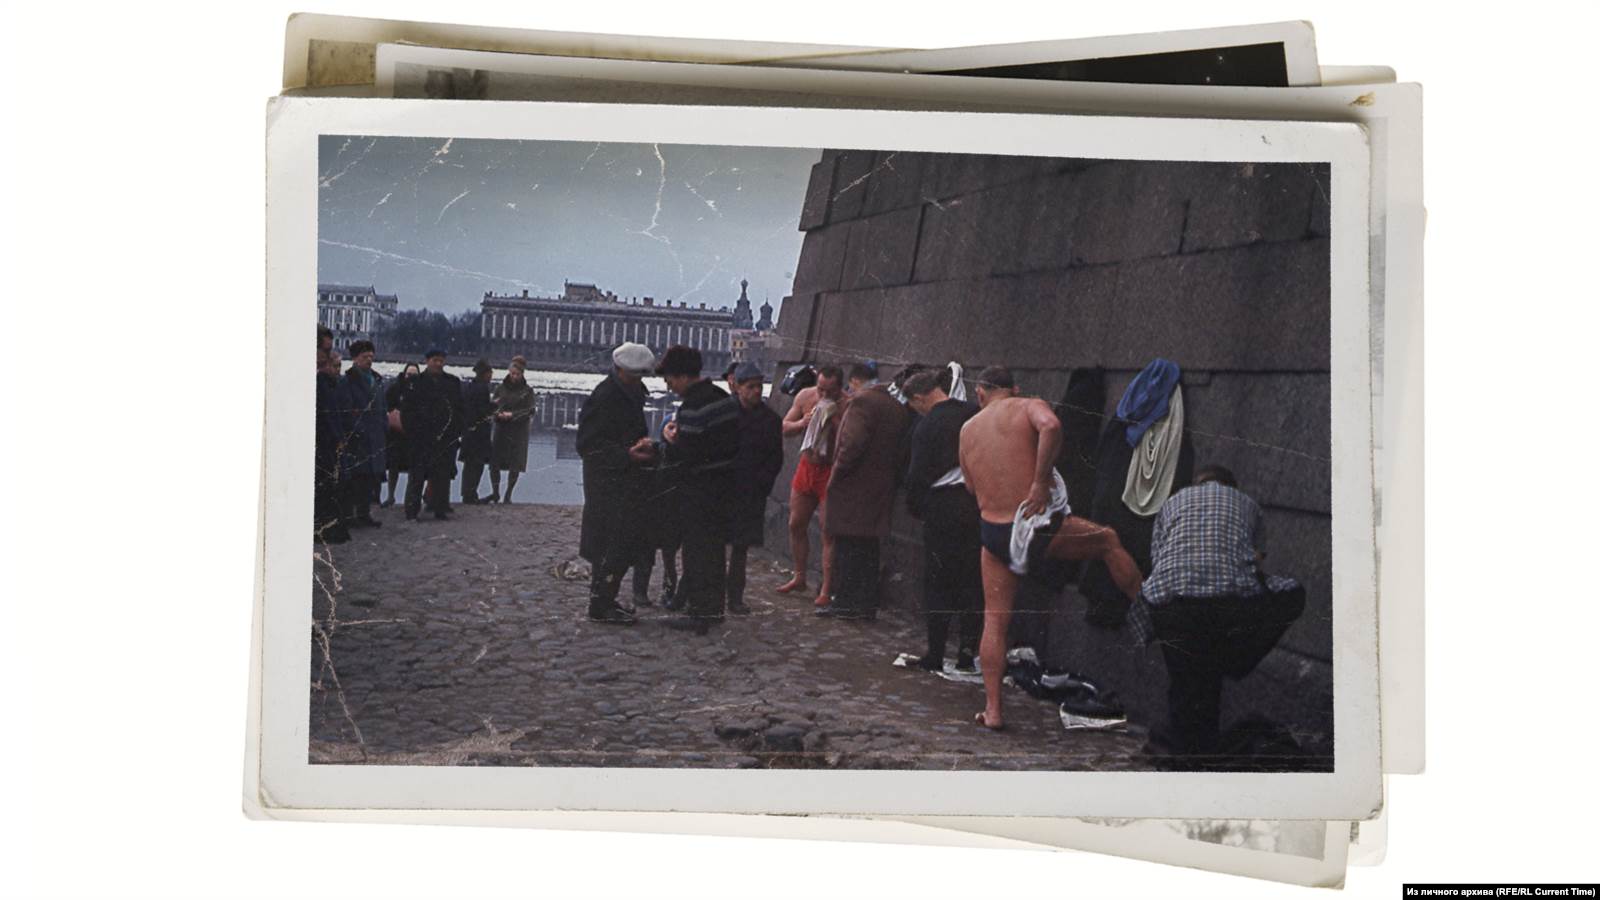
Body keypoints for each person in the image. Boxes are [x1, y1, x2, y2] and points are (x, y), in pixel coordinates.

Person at [959, 388, 1144, 731]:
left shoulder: (968, 428)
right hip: (1034, 524)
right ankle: (1147, 611)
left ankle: (993, 711)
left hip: (993, 531)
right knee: (1107, 540)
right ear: (1013, 389)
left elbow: (970, 485)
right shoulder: (1028, 405)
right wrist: (1040, 482)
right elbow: (1052, 425)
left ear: (980, 393)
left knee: (994, 620)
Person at [1127, 466, 1305, 766]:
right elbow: (1256, 562)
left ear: (1197, 484)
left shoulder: (1172, 503)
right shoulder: (1248, 504)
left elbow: (1159, 560)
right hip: (1228, 606)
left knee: (1185, 679)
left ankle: (1185, 752)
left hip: (1171, 606)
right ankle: (1234, 661)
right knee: (1292, 593)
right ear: (1231, 486)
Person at [655, 345, 741, 635]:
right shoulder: (723, 398)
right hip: (725, 486)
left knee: (697, 552)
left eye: (669, 379)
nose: (668, 385)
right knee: (714, 552)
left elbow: (687, 455)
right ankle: (713, 608)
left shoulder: (693, 407)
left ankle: (700, 612)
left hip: (699, 490)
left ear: (682, 376)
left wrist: (667, 440)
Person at [902, 368, 982, 672]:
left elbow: (917, 476)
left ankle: (935, 653)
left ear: (919, 398)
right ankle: (966, 653)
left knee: (938, 581)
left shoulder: (926, 427)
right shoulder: (973, 412)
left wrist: (917, 507)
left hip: (941, 507)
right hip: (975, 504)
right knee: (972, 580)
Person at [820, 363, 912, 621]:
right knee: (869, 547)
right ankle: (866, 605)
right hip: (882, 487)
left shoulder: (862, 403)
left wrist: (836, 474)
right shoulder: (896, 407)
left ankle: (845, 603)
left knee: (848, 545)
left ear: (854, 381)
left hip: (854, 487)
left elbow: (851, 443)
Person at [576, 342, 658, 625]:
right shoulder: (605, 397)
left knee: (619, 546)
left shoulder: (627, 392)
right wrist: (627, 454)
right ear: (620, 370)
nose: (638, 381)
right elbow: (587, 445)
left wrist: (639, 446)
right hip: (606, 484)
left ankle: (605, 600)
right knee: (609, 546)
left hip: (623, 481)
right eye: (635, 376)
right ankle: (600, 606)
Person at [776, 364, 844, 605]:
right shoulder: (806, 396)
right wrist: (802, 423)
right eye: (820, 388)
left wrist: (834, 421)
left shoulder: (847, 404)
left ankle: (825, 588)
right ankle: (799, 576)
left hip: (829, 470)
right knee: (796, 523)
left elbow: (851, 440)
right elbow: (784, 427)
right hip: (807, 466)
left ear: (839, 388)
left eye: (830, 391)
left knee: (827, 531)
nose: (824, 394)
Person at [725, 362, 784, 616]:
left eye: (759, 386)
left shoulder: (770, 420)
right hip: (722, 489)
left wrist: (762, 485)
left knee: (740, 548)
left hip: (750, 492)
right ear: (738, 387)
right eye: (751, 386)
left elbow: (775, 458)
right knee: (710, 546)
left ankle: (735, 597)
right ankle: (694, 594)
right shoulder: (724, 413)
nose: (757, 391)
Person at [400, 348, 464, 521]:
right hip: (420, 437)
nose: (438, 364)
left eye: (441, 361)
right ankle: (412, 511)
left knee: (442, 475)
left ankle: (439, 509)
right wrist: (412, 433)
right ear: (427, 361)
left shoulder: (452, 383)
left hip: (444, 437)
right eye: (435, 360)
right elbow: (407, 411)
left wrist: (455, 432)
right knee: (417, 476)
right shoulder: (415, 383)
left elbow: (459, 410)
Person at [336, 340, 387, 528]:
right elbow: (347, 409)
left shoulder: (376, 379)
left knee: (369, 478)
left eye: (371, 356)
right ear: (355, 358)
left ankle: (364, 514)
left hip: (376, 435)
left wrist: (384, 426)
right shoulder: (347, 381)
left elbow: (383, 407)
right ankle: (350, 516)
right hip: (358, 437)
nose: (369, 360)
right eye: (365, 357)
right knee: (356, 478)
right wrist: (359, 430)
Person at [314, 344, 350, 544]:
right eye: (335, 366)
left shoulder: (333, 385)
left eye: (339, 366)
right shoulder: (324, 385)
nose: (338, 370)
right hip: (328, 444)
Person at [488, 361, 535, 503]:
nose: (514, 376)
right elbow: (493, 405)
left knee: (515, 463)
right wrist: (498, 414)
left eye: (517, 374)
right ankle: (495, 492)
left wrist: (513, 415)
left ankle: (508, 494)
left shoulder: (527, 391)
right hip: (501, 428)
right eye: (512, 373)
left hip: (518, 431)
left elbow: (530, 410)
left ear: (522, 374)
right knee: (495, 462)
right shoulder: (500, 388)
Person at [457, 359, 495, 504]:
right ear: (485, 373)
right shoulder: (483, 388)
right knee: (477, 464)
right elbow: (482, 411)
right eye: (490, 373)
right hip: (479, 434)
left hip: (468, 431)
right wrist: (494, 407)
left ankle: (466, 493)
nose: (491, 376)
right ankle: (471, 494)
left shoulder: (469, 386)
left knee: (469, 465)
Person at [382, 362, 420, 507]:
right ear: (404, 374)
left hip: (413, 434)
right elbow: (386, 406)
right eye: (409, 374)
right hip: (396, 434)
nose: (411, 377)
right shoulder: (395, 388)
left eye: (414, 375)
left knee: (413, 467)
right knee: (393, 466)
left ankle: (409, 498)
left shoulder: (421, 390)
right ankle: (391, 496)